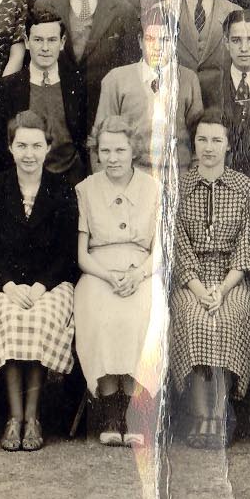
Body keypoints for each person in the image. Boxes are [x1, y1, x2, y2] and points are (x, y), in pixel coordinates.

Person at [0, 112, 83, 450]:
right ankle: (13, 416)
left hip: (49, 285)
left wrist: (39, 287)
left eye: (37, 145)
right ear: (10, 147)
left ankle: (33, 417)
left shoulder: (63, 191)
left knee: (38, 319)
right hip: (3, 285)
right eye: (22, 145)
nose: (29, 153)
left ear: (48, 147)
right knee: (8, 318)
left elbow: (66, 255)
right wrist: (8, 285)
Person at [173, 120, 250, 446]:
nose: (209, 147)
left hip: (231, 278)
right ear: (193, 144)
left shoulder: (244, 188)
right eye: (202, 140)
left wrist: (222, 290)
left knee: (228, 317)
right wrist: (199, 290)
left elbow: (246, 247)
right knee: (194, 318)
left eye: (216, 140)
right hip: (191, 280)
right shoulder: (180, 187)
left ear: (228, 145)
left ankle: (220, 413)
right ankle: (199, 414)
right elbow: (180, 247)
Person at [71, 126, 161, 446]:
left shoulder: (153, 188)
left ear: (132, 151)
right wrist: (108, 276)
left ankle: (134, 411)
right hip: (99, 271)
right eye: (105, 151)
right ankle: (110, 411)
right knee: (98, 311)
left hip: (142, 270)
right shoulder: (86, 189)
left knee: (142, 314)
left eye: (120, 150)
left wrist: (138, 275)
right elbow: (82, 255)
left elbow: (160, 249)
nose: (112, 158)